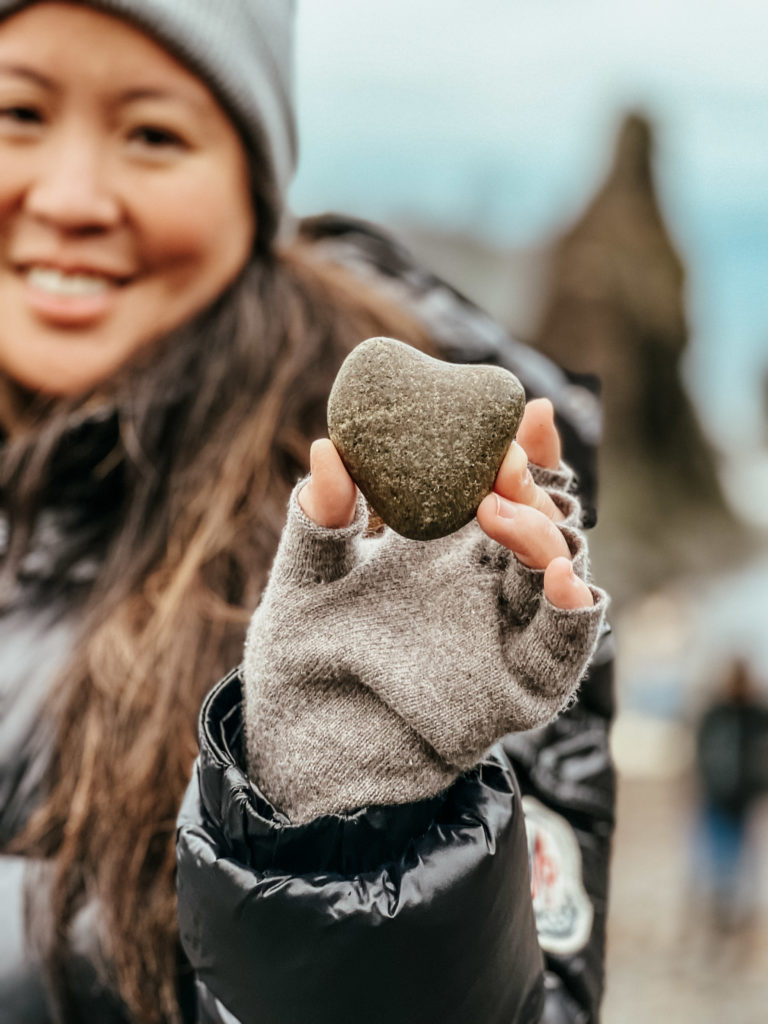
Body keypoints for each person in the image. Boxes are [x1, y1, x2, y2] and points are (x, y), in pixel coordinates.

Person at [0, 3, 615, 1023]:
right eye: (17, 113)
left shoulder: (454, 550)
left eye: (152, 132)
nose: (71, 198)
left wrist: (355, 825)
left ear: (253, 184)